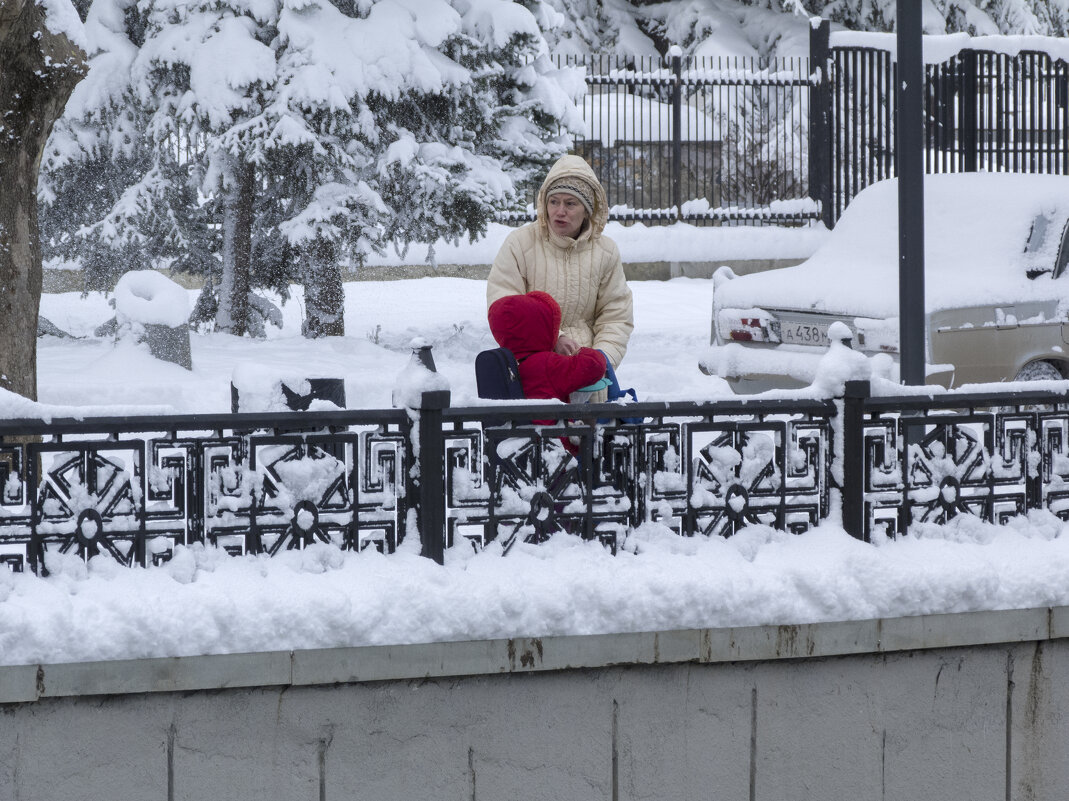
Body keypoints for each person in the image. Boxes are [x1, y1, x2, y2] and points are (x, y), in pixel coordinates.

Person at [487, 155, 634, 390]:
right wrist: (555, 339)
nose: (560, 211)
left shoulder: (606, 251)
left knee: (591, 428)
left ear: (587, 210)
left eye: (570, 203)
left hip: (591, 379)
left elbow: (616, 314)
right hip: (533, 374)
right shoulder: (520, 244)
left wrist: (600, 360)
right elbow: (504, 307)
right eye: (553, 201)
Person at [487, 291, 607, 405]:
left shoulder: (503, 365)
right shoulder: (548, 364)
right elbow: (594, 365)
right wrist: (580, 351)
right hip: (550, 426)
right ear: (541, 330)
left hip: (516, 425)